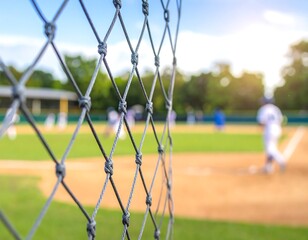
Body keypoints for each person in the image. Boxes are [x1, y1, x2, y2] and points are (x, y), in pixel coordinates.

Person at [257, 97, 286, 173]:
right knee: (272, 147)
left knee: (270, 149)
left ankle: (281, 160)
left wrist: (261, 126)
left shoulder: (264, 109)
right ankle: (268, 167)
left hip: (269, 130)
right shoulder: (276, 109)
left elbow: (261, 122)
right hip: (277, 129)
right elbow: (281, 120)